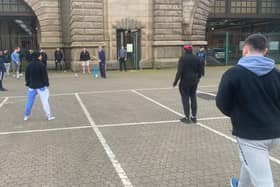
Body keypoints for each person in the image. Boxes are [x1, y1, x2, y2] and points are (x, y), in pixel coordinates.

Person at [216, 34, 280, 187]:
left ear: (245, 50)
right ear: (265, 51)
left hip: (251, 136)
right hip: (275, 133)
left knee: (263, 180)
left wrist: (236, 115)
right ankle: (241, 184)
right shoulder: (276, 74)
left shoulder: (233, 73)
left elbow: (222, 103)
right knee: (249, 161)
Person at [173, 45, 203, 124]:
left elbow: (179, 71)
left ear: (185, 50)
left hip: (185, 81)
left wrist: (175, 82)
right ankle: (194, 117)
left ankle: (187, 117)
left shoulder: (183, 58)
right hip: (194, 81)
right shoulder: (197, 58)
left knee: (185, 98)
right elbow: (201, 70)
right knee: (193, 97)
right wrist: (198, 78)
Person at [24, 52, 55, 121]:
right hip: (41, 87)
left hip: (32, 87)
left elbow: (26, 76)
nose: (41, 57)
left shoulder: (29, 65)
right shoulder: (41, 65)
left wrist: (28, 83)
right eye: (40, 56)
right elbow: (45, 76)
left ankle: (26, 115)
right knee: (45, 101)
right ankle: (49, 116)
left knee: (29, 102)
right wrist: (47, 84)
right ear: (38, 56)